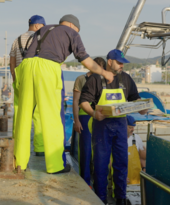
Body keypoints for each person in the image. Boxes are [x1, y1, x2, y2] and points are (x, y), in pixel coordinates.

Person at [14, 14, 114, 175]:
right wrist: (104, 73)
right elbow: (85, 60)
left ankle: (19, 162)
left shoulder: (44, 29)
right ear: (74, 26)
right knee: (52, 117)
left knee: (23, 116)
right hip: (47, 68)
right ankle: (55, 165)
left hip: (25, 67)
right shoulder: (72, 32)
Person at [79, 49, 147, 205]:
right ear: (109, 62)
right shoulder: (95, 78)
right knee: (101, 164)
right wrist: (94, 114)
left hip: (120, 126)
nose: (122, 65)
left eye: (123, 62)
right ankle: (101, 200)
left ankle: (120, 200)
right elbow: (83, 102)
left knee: (121, 163)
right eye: (119, 62)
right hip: (101, 126)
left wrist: (142, 107)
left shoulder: (126, 79)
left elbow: (134, 98)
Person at [10, 15, 46, 156]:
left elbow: (12, 61)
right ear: (37, 26)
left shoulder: (16, 40)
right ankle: (39, 148)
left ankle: (17, 144)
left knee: (19, 112)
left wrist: (15, 76)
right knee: (38, 113)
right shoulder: (40, 39)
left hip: (19, 77)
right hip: (35, 77)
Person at [73, 57, 106, 185]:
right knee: (85, 150)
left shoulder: (103, 81)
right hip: (85, 117)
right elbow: (76, 101)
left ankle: (99, 182)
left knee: (99, 151)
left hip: (100, 118)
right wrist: (76, 120)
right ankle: (85, 182)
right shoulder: (81, 79)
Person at [126, 115, 146, 185]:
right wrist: (120, 175)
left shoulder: (136, 138)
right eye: (130, 127)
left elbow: (141, 156)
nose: (133, 129)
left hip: (136, 178)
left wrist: (144, 168)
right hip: (122, 178)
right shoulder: (117, 140)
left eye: (133, 127)